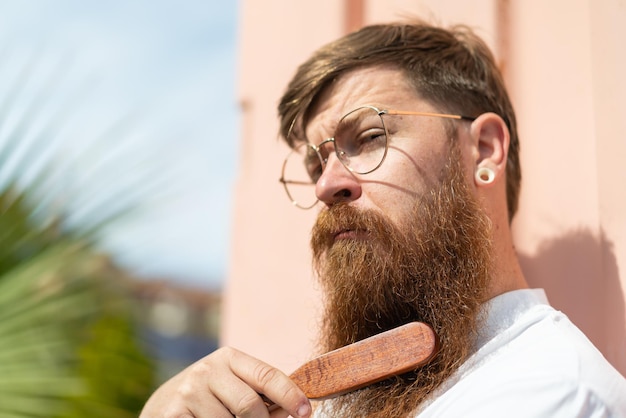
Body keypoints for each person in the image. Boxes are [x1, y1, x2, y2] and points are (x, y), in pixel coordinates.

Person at [140, 20, 626, 418]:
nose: (326, 185)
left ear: (483, 149)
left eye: (370, 138)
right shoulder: (337, 400)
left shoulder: (553, 392)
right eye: (316, 163)